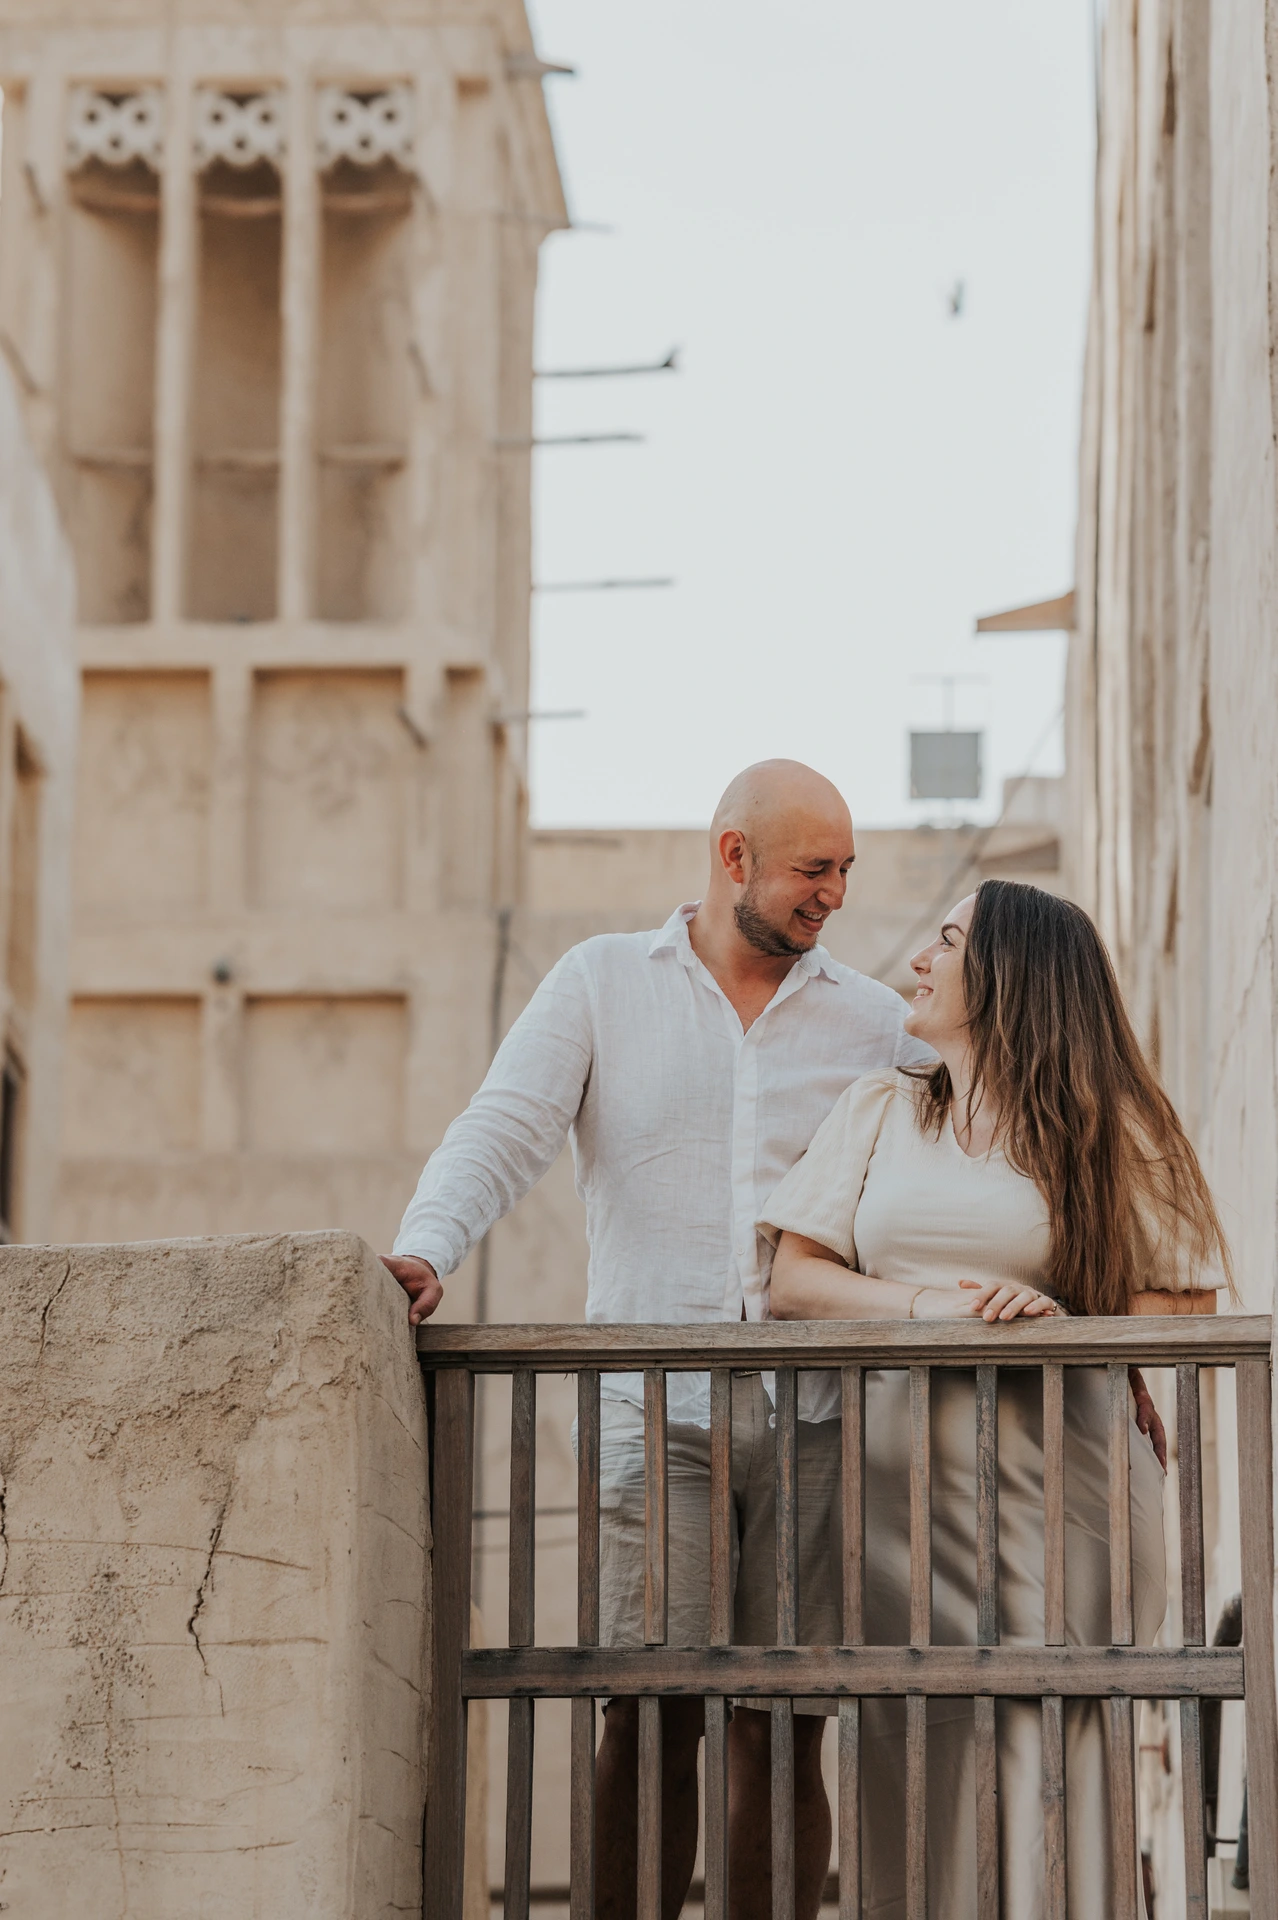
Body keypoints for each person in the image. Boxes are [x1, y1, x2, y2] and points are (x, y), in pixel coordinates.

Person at [385, 759, 935, 1920]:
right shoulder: (600, 984)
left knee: (785, 1724)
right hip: (652, 1405)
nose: (834, 892)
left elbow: (983, 1155)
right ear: (733, 857)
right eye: (812, 868)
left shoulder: (878, 1021)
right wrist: (429, 1247)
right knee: (648, 1703)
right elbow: (506, 1127)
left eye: (846, 870)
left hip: (819, 1417)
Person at [761, 879, 1230, 1918]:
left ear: (1010, 972)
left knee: (1050, 1746)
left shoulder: (1111, 1126)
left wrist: (1064, 1313)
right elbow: (793, 1281)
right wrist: (929, 1308)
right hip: (898, 1512)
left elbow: (1182, 1303)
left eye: (946, 940)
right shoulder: (880, 1108)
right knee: (910, 1752)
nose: (918, 962)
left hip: (1068, 1493)